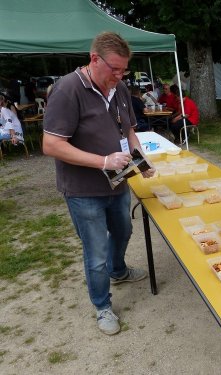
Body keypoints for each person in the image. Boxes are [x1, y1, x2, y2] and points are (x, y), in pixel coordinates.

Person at [42, 31, 155, 335]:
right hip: (83, 190)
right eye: (115, 69)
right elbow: (51, 145)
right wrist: (103, 161)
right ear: (94, 59)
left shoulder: (117, 88)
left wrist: (139, 159)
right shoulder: (67, 89)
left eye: (124, 70)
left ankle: (118, 271)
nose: (120, 76)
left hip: (118, 183)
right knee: (95, 253)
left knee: (123, 230)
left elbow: (130, 129)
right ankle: (102, 306)